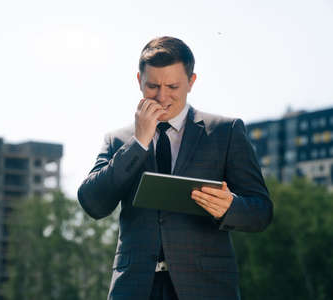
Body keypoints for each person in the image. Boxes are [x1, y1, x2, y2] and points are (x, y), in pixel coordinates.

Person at [77, 36, 273, 300]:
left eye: (172, 86)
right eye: (152, 86)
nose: (162, 96)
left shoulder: (226, 132)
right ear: (139, 81)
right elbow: (93, 203)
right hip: (134, 288)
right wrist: (139, 143)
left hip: (206, 287)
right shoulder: (119, 140)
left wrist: (230, 207)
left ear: (191, 82)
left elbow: (261, 211)